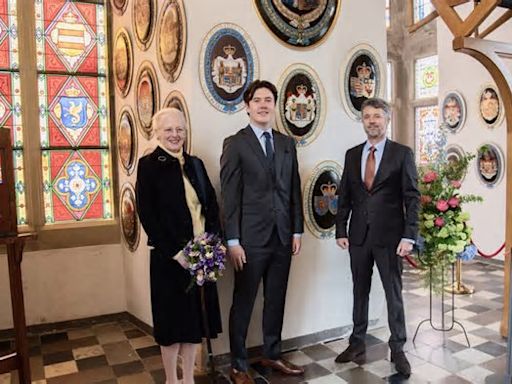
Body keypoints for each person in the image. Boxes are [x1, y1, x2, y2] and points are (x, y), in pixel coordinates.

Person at [220, 80, 304, 384]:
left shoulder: (286, 143)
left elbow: (294, 188)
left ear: (275, 105)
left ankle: (272, 353)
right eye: (258, 100)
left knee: (276, 299)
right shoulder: (236, 143)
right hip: (249, 240)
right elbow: (229, 196)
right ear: (247, 105)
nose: (264, 104)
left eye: (269, 99)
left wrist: (297, 230)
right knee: (243, 303)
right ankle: (238, 365)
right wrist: (233, 240)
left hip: (283, 237)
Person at [335, 98, 420, 377]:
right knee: (359, 291)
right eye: (367, 116)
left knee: (393, 293)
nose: (372, 121)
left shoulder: (401, 154)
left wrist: (409, 235)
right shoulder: (351, 154)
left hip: (390, 237)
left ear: (387, 119)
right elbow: (344, 196)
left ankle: (397, 348)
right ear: (363, 121)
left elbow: (412, 197)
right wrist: (341, 230)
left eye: (377, 117)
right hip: (358, 236)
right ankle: (357, 342)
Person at [136, 108, 222, 384]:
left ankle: (188, 379)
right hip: (169, 259)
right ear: (158, 132)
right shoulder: (149, 165)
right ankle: (172, 379)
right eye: (169, 130)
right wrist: (176, 253)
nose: (175, 135)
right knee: (172, 324)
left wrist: (212, 243)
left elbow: (210, 205)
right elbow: (147, 214)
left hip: (200, 256)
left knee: (193, 322)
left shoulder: (195, 164)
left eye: (180, 130)